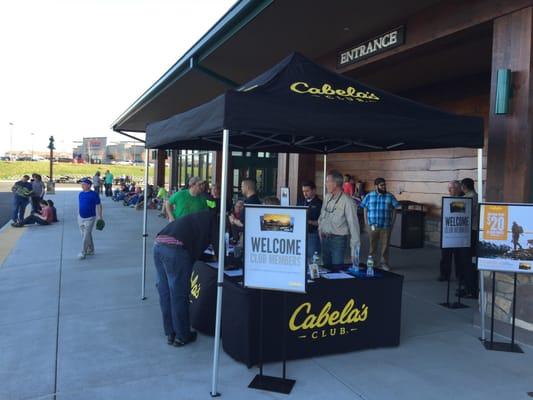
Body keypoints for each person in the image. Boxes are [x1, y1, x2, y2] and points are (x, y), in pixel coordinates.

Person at [153, 209, 218, 347]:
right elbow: (217, 245)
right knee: (178, 294)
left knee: (165, 292)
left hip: (158, 245)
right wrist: (224, 261)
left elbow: (192, 244)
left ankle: (170, 333)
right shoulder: (215, 220)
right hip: (174, 250)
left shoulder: (195, 217)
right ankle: (182, 336)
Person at [318, 170, 360, 269]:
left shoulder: (348, 201)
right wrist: (320, 228)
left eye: (328, 181)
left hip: (338, 240)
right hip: (325, 239)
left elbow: (354, 226)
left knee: (337, 270)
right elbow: (321, 216)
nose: (326, 184)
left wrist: (355, 250)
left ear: (335, 184)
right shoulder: (327, 197)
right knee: (326, 269)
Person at [360, 177, 399, 271]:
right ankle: (371, 262)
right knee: (372, 244)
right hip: (372, 226)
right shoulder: (369, 196)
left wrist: (392, 222)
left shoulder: (390, 196)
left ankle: (384, 263)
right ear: (376, 186)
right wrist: (366, 223)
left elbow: (395, 208)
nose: (384, 187)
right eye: (382, 185)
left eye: (385, 185)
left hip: (386, 226)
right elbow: (364, 208)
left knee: (385, 245)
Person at [438, 180, 464, 281]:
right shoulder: (449, 198)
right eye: (448, 188)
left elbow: (456, 214)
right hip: (447, 232)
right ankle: (444, 275)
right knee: (445, 256)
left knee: (458, 257)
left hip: (457, 232)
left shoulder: (463, 199)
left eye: (451, 188)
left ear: (458, 188)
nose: (449, 190)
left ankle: (459, 276)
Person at [458, 177, 478, 298]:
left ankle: (470, 289)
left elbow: (463, 215)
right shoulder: (477, 196)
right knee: (470, 261)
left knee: (466, 261)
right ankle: (469, 287)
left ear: (464, 187)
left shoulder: (467, 198)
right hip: (474, 231)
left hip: (468, 231)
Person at [78, 178, 103, 259]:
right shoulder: (80, 194)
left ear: (89, 185)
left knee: (86, 235)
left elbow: (98, 205)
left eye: (84, 184)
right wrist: (78, 214)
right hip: (80, 217)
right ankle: (91, 249)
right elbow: (80, 205)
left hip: (90, 218)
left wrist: (100, 216)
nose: (82, 185)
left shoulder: (94, 194)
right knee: (85, 234)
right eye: (82, 184)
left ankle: (83, 252)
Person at [297, 181, 322, 261]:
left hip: (313, 234)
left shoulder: (320, 204)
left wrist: (309, 222)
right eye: (303, 191)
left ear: (314, 190)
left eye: (307, 191)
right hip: (301, 234)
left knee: (313, 259)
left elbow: (322, 222)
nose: (305, 193)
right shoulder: (300, 202)